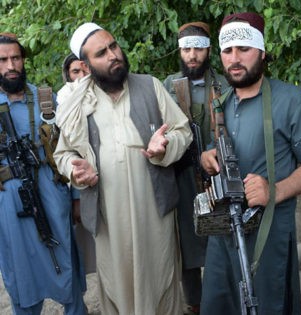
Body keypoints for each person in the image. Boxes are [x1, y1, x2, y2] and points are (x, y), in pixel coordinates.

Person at [53, 22, 192, 315]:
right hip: (108, 218)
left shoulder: (150, 86)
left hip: (153, 212)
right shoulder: (78, 103)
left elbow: (183, 131)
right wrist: (76, 172)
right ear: (87, 65)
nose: (113, 55)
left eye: (113, 46)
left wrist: (165, 145)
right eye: (101, 53)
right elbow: (63, 154)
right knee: (117, 285)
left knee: (160, 279)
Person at [199, 13, 301, 315]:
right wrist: (207, 156)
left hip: (269, 230)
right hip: (223, 229)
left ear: (262, 52)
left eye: (244, 48)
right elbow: (217, 149)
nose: (235, 58)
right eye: (227, 51)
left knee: (267, 304)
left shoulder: (291, 99)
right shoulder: (221, 103)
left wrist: (275, 190)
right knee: (219, 303)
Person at [0, 33, 86, 314]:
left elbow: (69, 148)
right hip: (9, 203)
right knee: (21, 274)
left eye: (15, 58)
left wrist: (75, 197)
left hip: (52, 194)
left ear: (23, 60)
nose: (10, 65)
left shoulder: (47, 100)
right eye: (3, 60)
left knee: (66, 264)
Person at [163, 21, 228, 315]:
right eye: (187, 49)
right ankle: (195, 305)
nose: (192, 55)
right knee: (188, 247)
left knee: (222, 241)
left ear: (209, 51)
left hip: (220, 175)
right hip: (183, 177)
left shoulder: (225, 85)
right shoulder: (168, 86)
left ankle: (223, 300)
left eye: (198, 49)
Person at [61, 52, 96, 276]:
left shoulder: (102, 95)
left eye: (85, 70)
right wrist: (75, 199)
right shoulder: (61, 103)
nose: (81, 76)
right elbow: (66, 154)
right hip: (80, 185)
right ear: (67, 75)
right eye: (75, 71)